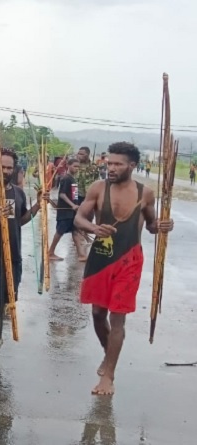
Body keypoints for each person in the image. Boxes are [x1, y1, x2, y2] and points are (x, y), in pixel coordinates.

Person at [75, 142, 173, 396]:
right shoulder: (98, 188)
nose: (112, 168)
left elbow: (151, 224)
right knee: (97, 314)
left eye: (118, 164)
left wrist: (162, 226)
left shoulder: (145, 193)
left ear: (132, 165)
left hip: (129, 260)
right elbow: (79, 218)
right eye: (109, 163)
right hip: (100, 257)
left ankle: (108, 375)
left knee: (117, 317)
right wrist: (94, 228)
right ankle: (109, 356)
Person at [0, 150, 39, 355]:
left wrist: (38, 204)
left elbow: (20, 220)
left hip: (12, 253)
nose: (5, 171)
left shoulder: (18, 193)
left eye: (9, 167)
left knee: (5, 298)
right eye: (1, 167)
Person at [49, 159, 87, 261]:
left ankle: (81, 255)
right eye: (75, 166)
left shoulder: (73, 179)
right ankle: (50, 252)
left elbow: (74, 195)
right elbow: (62, 194)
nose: (76, 168)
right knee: (60, 231)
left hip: (72, 211)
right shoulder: (66, 179)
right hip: (65, 211)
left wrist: (77, 206)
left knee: (75, 231)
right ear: (68, 166)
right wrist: (72, 205)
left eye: (78, 167)